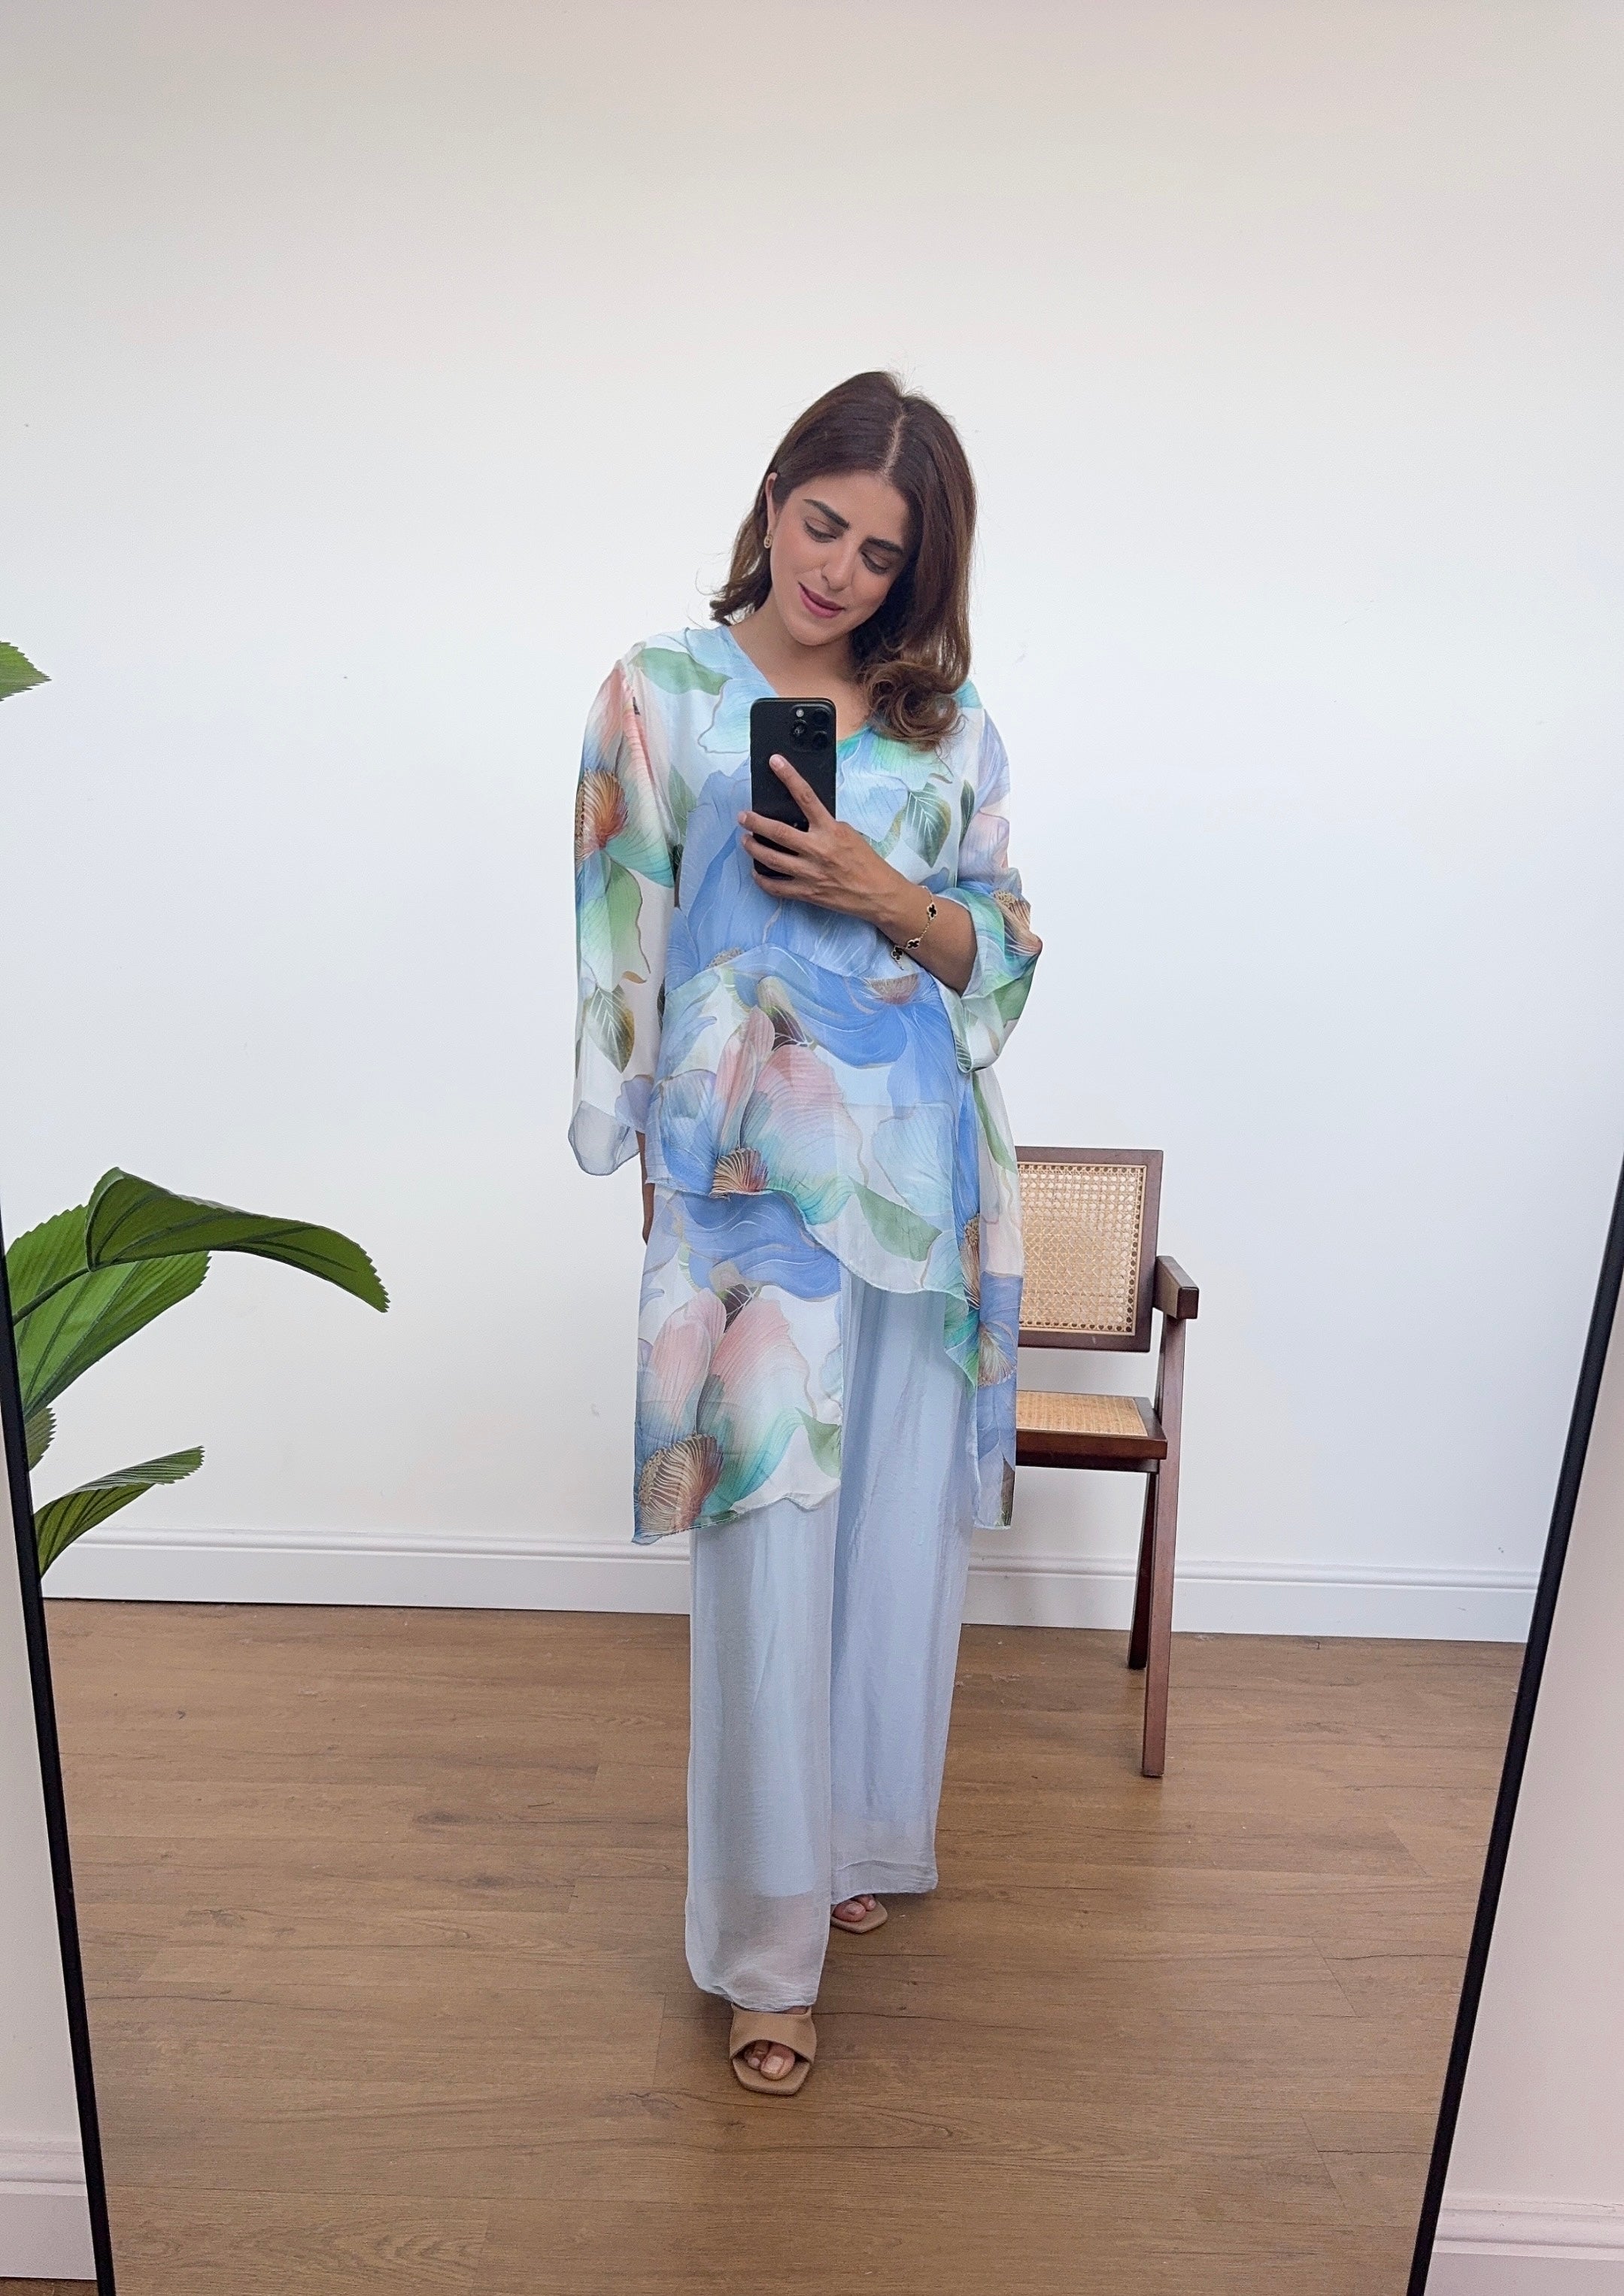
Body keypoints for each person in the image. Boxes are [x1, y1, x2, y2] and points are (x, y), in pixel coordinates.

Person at [570, 370, 1041, 2094]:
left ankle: (849, 1836)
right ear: (775, 497)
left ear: (924, 569)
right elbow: (616, 927)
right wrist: (638, 1144)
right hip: (744, 1186)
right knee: (766, 1538)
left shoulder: (949, 723)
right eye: (822, 522)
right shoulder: (660, 691)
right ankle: (765, 1956)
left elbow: (1005, 947)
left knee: (895, 1535)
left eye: (881, 551)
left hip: (919, 1180)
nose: (838, 569)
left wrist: (883, 892)